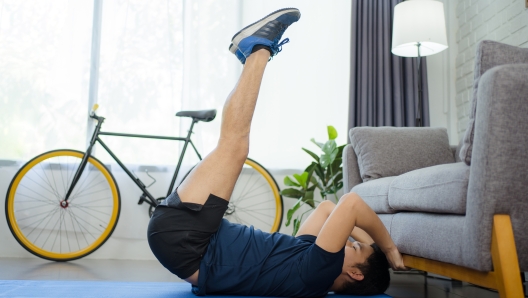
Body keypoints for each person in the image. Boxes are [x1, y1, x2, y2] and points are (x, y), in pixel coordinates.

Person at [147, 8, 406, 297]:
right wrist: (368, 247)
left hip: (189, 241)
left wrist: (387, 246)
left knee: (235, 145)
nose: (347, 240)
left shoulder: (318, 272)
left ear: (354, 274)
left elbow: (352, 204)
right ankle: (254, 54)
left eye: (353, 248)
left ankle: (258, 49)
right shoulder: (305, 261)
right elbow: (327, 209)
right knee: (234, 145)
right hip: (191, 241)